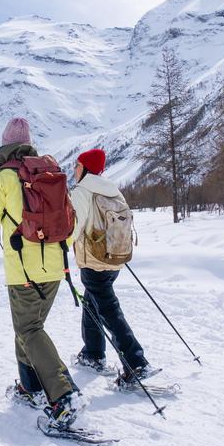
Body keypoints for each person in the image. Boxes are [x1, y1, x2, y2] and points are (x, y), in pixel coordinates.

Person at [0, 117, 85, 427]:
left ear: (5, 145)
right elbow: (68, 221)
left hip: (23, 271)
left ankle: (63, 395)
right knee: (29, 328)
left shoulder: (1, 178)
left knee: (29, 330)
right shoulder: (50, 173)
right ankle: (30, 386)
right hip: (56, 267)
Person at [70, 148, 158, 385]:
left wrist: (59, 247)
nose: (73, 170)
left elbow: (73, 228)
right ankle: (93, 354)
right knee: (92, 303)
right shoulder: (113, 190)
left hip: (94, 262)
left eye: (77, 166)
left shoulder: (83, 192)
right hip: (114, 259)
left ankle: (136, 362)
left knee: (108, 309)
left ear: (86, 169)